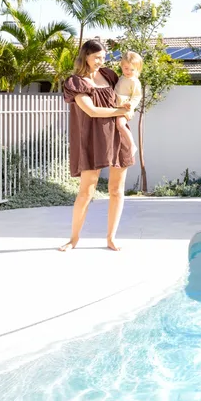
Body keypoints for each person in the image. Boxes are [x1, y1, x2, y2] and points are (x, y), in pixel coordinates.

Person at [58, 39, 134, 252]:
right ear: (86, 57)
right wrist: (120, 112)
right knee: (86, 191)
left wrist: (128, 108)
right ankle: (73, 239)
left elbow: (124, 96)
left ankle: (111, 238)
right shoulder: (75, 82)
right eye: (96, 57)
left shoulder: (109, 75)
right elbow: (90, 110)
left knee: (117, 190)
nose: (101, 61)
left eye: (103, 57)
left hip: (116, 136)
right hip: (92, 139)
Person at [115, 51, 143, 157]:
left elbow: (137, 96)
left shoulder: (134, 81)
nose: (129, 71)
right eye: (126, 68)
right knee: (117, 126)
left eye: (132, 69)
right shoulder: (122, 78)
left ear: (137, 69)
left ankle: (132, 145)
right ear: (121, 66)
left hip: (125, 107)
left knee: (120, 125)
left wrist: (130, 105)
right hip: (117, 106)